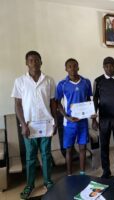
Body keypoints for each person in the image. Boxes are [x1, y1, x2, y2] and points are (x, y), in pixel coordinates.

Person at [11, 51, 57, 199]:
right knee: (30, 157)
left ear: (41, 62)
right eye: (31, 60)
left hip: (46, 124)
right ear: (26, 63)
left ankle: (48, 182)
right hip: (29, 126)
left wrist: (55, 121)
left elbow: (53, 103)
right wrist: (23, 125)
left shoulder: (49, 80)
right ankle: (29, 185)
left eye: (37, 60)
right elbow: (17, 105)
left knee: (46, 155)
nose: (34, 63)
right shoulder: (20, 81)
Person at [56, 58, 93, 176]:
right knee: (69, 149)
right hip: (69, 123)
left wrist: (91, 112)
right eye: (69, 66)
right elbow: (57, 102)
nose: (72, 68)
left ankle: (82, 172)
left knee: (83, 148)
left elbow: (89, 100)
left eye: (74, 66)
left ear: (78, 67)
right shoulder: (62, 84)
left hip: (83, 122)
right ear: (66, 69)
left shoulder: (86, 82)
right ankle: (69, 174)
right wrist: (66, 117)